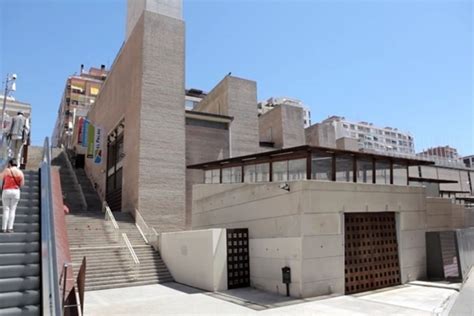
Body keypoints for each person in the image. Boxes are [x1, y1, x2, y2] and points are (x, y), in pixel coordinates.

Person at [1, 159, 24, 233]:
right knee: (12, 210)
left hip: (6, 191)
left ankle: (4, 228)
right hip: (15, 192)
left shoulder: (7, 170)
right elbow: (22, 184)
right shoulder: (20, 172)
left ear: (10, 164)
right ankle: (10, 228)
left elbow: (0, 178)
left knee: (6, 210)